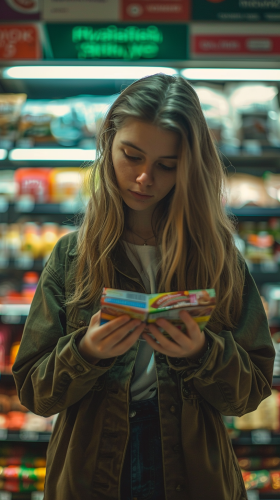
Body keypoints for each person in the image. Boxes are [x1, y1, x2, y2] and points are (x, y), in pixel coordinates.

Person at [12, 74, 275, 500]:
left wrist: (202, 352)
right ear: (108, 143)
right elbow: (34, 393)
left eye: (166, 166)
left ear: (189, 167)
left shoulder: (219, 256)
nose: (143, 179)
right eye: (131, 156)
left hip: (193, 470)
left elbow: (251, 392)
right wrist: (87, 352)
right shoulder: (71, 257)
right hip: (92, 465)